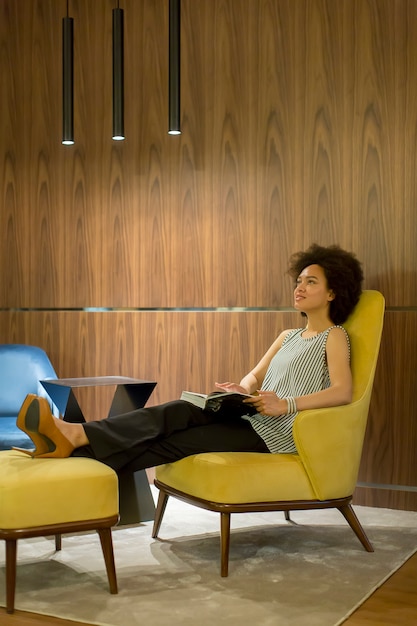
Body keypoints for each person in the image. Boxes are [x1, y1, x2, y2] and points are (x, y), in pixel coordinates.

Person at [15, 243, 363, 475]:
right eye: (299, 280)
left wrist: (285, 404)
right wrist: (238, 390)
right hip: (250, 417)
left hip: (277, 436)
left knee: (175, 443)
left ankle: (73, 453)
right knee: (179, 409)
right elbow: (253, 377)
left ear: (333, 293)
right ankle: (74, 441)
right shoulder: (287, 336)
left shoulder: (334, 336)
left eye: (311, 282)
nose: (299, 287)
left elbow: (342, 392)